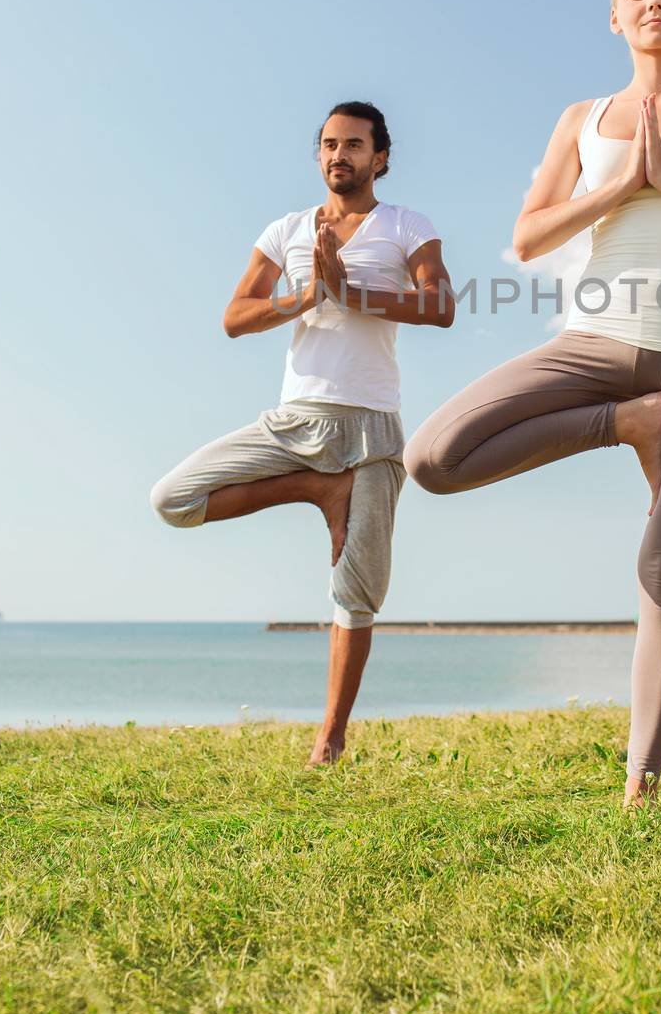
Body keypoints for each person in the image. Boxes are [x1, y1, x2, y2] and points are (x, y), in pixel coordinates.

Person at [403, 0, 661, 807]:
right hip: (595, 343)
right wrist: (619, 184)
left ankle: (639, 786)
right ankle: (626, 423)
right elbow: (529, 237)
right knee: (432, 457)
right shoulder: (581, 117)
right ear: (613, 19)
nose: (653, 2)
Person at [150, 100, 454, 765]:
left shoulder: (406, 225)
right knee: (173, 500)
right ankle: (316, 488)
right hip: (294, 421)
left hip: (371, 427)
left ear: (381, 158)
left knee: (358, 593)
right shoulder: (285, 229)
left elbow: (440, 305)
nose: (337, 155)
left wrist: (352, 295)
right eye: (327, 145)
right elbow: (235, 316)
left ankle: (330, 738)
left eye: (352, 144)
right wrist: (306, 297)